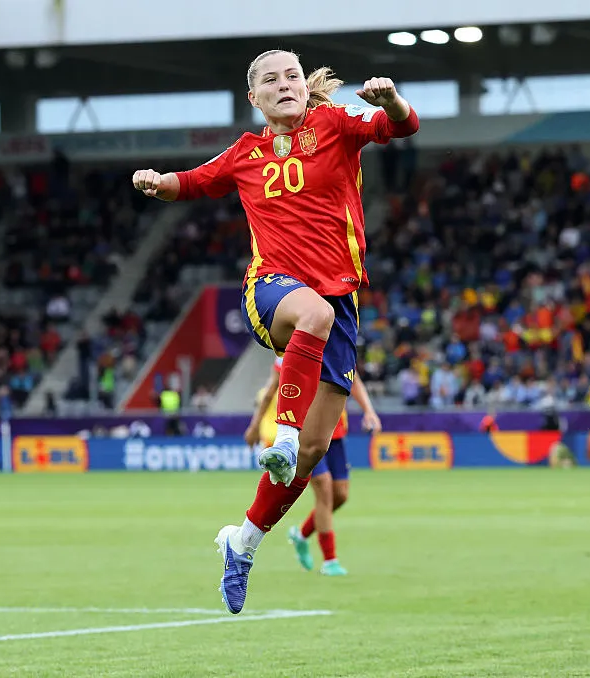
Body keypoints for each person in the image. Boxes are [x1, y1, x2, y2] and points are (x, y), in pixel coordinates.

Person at [133, 49, 419, 613]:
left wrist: (390, 98)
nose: (285, 84)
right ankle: (281, 437)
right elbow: (192, 183)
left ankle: (243, 541)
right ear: (254, 98)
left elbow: (402, 126)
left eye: (292, 75)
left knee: (315, 452)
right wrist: (156, 180)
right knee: (311, 323)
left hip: (340, 302)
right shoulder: (246, 152)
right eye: (271, 80)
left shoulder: (335, 124)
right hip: (272, 290)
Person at [244, 357, 381, 576]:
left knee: (340, 495)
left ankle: (301, 534)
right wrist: (254, 426)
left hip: (334, 431)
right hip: (306, 433)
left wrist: (369, 410)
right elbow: (272, 390)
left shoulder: (339, 343)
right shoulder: (295, 346)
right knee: (324, 490)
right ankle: (330, 560)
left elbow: (353, 380)